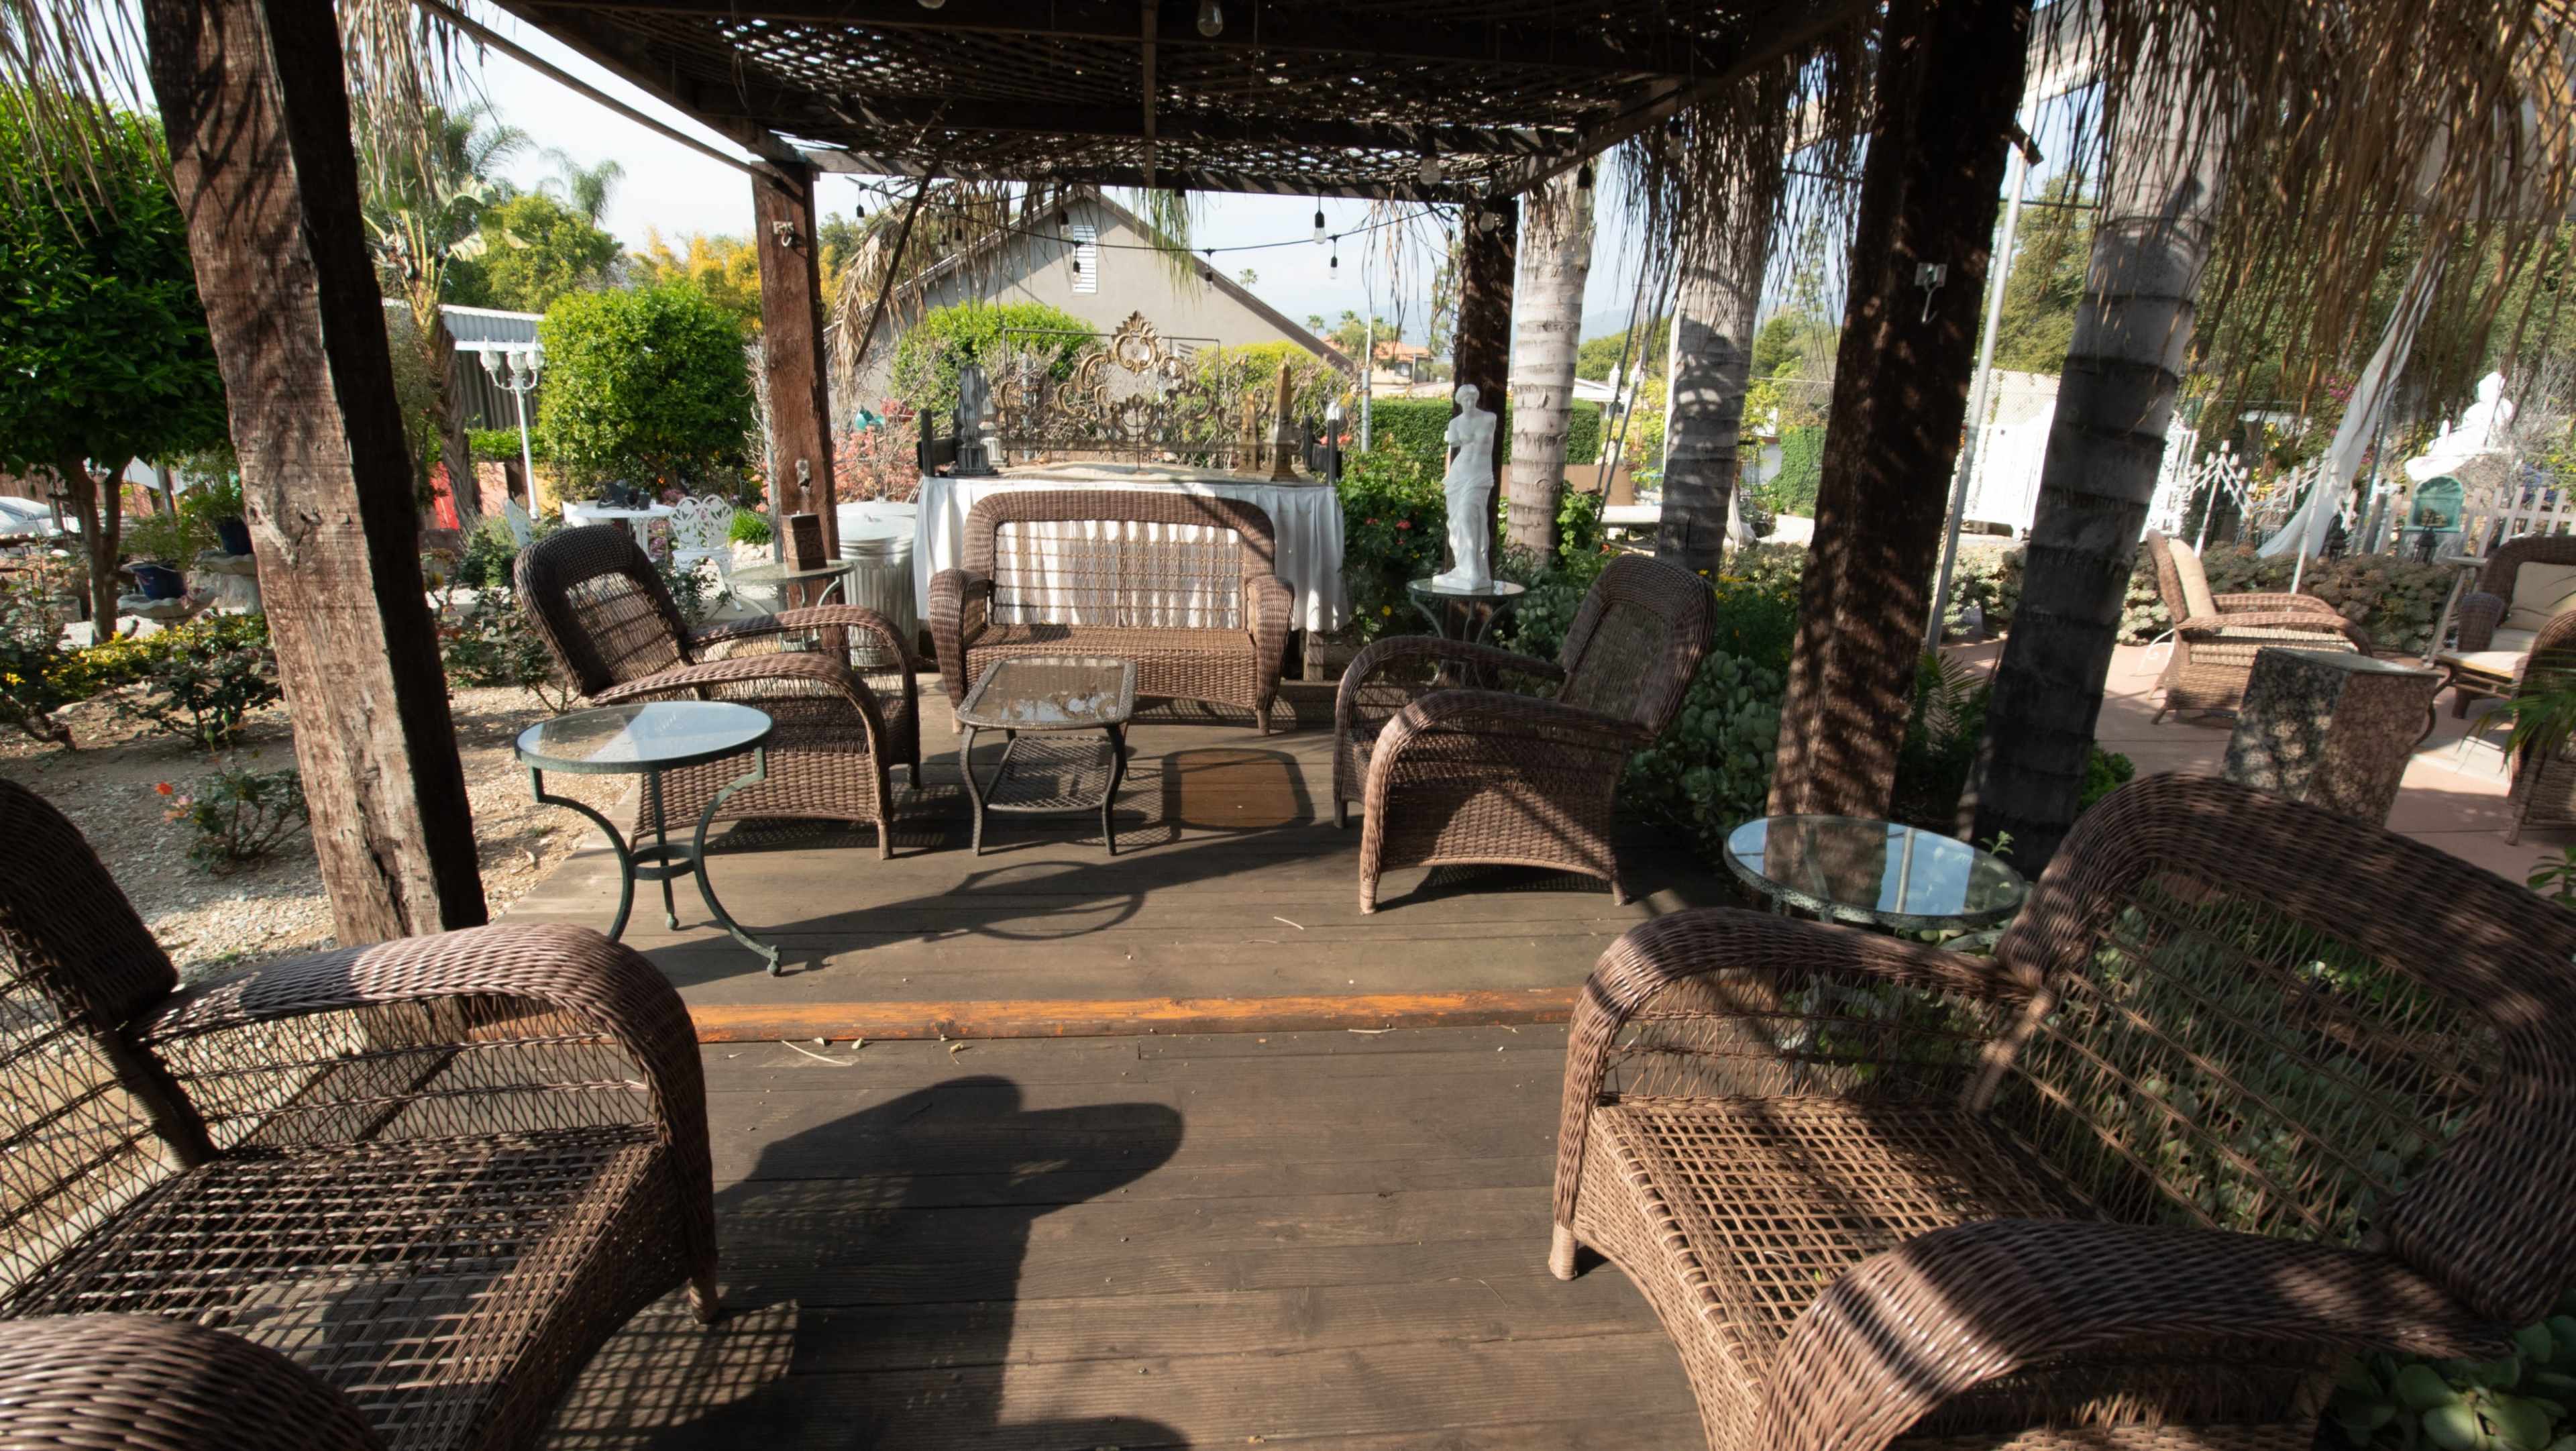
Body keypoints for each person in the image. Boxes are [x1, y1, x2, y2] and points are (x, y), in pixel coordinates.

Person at [1434, 383, 1499, 590]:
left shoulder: (1489, 419)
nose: (1470, 403)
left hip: (1479, 476)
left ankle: (1472, 570)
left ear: (1477, 399)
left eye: (1473, 399)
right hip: (1459, 475)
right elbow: (1452, 444)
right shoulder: (1455, 424)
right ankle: (1465, 569)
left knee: (1466, 516)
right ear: (1460, 402)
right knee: (1456, 524)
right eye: (1465, 400)